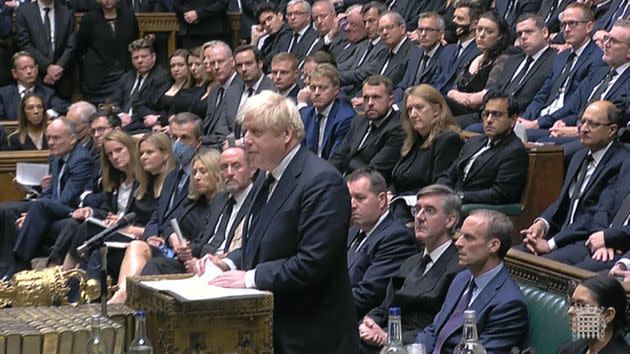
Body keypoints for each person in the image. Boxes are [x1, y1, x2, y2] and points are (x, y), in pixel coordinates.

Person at [209, 91, 361, 353]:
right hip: (272, 329)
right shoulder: (267, 176)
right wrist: (228, 262)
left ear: (286, 135)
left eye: (256, 132)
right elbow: (264, 241)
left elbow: (312, 263)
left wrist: (248, 278)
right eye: (245, 132)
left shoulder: (321, 181)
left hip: (310, 336)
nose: (246, 141)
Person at [520, 101, 630, 265]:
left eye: (592, 124)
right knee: (510, 254)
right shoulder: (578, 156)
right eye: (582, 122)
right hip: (561, 235)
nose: (584, 129)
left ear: (612, 130)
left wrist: (551, 244)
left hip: (585, 241)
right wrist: (542, 224)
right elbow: (562, 203)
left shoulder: (621, 162)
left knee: (538, 266)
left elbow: (596, 216)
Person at [108, 150, 222, 304]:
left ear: (216, 173)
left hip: (192, 261)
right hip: (172, 251)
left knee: (156, 265)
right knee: (137, 245)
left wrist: (188, 250)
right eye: (194, 172)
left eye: (203, 171)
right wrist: (173, 238)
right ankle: (122, 293)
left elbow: (208, 242)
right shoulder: (193, 202)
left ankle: (126, 301)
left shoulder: (221, 205)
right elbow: (169, 224)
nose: (196, 177)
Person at [360, 184, 463, 351]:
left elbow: (440, 328)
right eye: (417, 210)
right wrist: (369, 321)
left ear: (450, 220)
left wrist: (390, 337)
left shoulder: (459, 267)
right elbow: (386, 306)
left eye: (429, 211)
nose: (419, 217)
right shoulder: (412, 260)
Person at [415, 209, 528, 353]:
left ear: (493, 246)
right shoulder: (461, 278)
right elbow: (434, 330)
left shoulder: (509, 304)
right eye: (460, 235)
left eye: (468, 237)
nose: (458, 243)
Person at [2, 117, 96, 280]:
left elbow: (66, 199)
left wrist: (32, 215)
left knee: (40, 207)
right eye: (49, 137)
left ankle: (18, 264)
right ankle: (7, 270)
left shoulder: (81, 159)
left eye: (56, 138)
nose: (50, 142)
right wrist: (32, 213)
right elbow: (49, 193)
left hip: (71, 213)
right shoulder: (56, 157)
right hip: (49, 208)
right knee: (5, 211)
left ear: (72, 139)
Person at [147, 144, 256, 276]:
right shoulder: (220, 200)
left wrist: (217, 261)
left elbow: (251, 247)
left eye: (236, 166)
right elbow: (204, 241)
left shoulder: (258, 200)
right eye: (224, 167)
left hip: (231, 268)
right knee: (156, 265)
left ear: (252, 169)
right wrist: (188, 252)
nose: (229, 173)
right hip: (201, 264)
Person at [346, 168, 417, 319]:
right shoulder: (352, 232)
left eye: (359, 198)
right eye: (349, 198)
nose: (352, 205)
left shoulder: (397, 237)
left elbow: (369, 294)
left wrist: (321, 304)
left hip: (360, 322)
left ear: (382, 200)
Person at [437, 91, 528, 205]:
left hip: (476, 210)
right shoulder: (473, 142)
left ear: (513, 120)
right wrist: (438, 191)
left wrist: (458, 196)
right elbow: (450, 174)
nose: (489, 120)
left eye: (496, 114)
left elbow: (500, 194)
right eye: (486, 114)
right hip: (451, 202)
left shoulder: (515, 151)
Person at [390, 85, 463, 222]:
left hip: (421, 213)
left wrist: (398, 199)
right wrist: (390, 194)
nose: (412, 114)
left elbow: (439, 187)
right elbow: (396, 179)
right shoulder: (412, 141)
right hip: (399, 206)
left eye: (419, 107)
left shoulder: (448, 140)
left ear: (436, 110)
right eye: (409, 109)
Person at [329, 75, 404, 181]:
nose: (370, 103)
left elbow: (373, 172)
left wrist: (336, 184)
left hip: (368, 186)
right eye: (366, 98)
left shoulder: (398, 128)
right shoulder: (358, 121)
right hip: (344, 180)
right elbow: (339, 156)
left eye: (376, 97)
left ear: (390, 100)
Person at [444, 10, 512, 127]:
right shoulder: (474, 57)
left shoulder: (503, 59)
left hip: (480, 113)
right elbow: (452, 90)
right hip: (461, 106)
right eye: (479, 29)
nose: (481, 35)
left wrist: (461, 97)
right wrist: (460, 96)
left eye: (489, 31)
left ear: (500, 36)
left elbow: (487, 94)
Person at [76, 0, 139, 104]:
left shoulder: (129, 16)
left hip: (124, 74)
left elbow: (134, 42)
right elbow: (81, 48)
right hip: (98, 79)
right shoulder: (89, 18)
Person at [14, 0, 76, 98]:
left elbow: (71, 45)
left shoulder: (66, 12)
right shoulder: (24, 12)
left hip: (63, 76)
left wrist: (58, 67)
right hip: (36, 76)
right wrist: (47, 67)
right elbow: (25, 44)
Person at [558, 275, 630, 354]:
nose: (570, 311)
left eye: (581, 306)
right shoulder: (569, 349)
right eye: (572, 303)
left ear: (608, 315)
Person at [114, 38, 171, 134]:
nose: (140, 60)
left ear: (153, 56)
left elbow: (155, 107)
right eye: (136, 58)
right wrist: (121, 115)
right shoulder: (127, 77)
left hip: (142, 124)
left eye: (144, 56)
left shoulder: (162, 77)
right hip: (120, 122)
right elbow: (114, 101)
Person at [300, 63, 355, 159]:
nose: (316, 93)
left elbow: (337, 159)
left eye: (322, 88)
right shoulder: (305, 115)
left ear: (335, 91)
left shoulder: (345, 118)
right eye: (313, 88)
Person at [200, 40, 243, 149]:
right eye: (212, 63)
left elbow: (232, 130)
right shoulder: (214, 91)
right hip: (208, 145)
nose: (216, 67)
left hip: (227, 147)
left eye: (220, 62)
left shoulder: (242, 88)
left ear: (232, 62)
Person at [0, 51, 68, 120]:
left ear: (36, 70)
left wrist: (47, 114)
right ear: (14, 73)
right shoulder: (3, 94)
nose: (29, 71)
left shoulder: (47, 93)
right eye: (24, 68)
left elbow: (64, 106)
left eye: (31, 67)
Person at [144, 49, 198, 132]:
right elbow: (143, 103)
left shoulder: (192, 89)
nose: (176, 69)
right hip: (151, 125)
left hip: (174, 128)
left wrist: (158, 119)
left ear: (188, 66)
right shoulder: (164, 83)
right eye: (172, 66)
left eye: (180, 65)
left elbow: (183, 112)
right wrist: (154, 121)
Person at [434, 0, 481, 94]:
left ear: (475, 24)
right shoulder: (447, 50)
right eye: (454, 17)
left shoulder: (479, 53)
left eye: (460, 19)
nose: (454, 21)